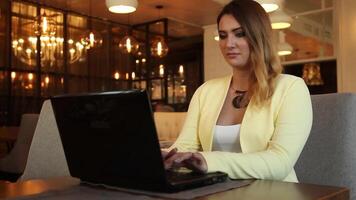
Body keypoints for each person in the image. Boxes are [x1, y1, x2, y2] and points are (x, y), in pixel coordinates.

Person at [162, 0, 312, 182]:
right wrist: (163, 157)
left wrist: (208, 160)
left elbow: (280, 162)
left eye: (239, 34)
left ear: (259, 36)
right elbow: (184, 146)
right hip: (216, 192)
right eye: (223, 36)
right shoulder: (206, 91)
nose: (229, 44)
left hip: (274, 192)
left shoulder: (291, 88)